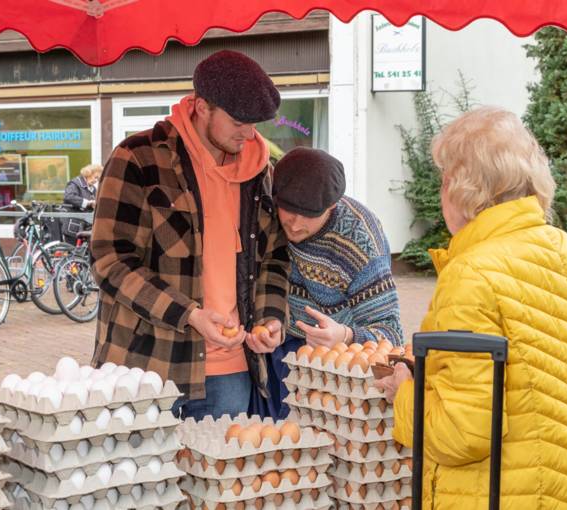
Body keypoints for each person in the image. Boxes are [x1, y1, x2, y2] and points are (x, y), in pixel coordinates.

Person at [375, 107, 567, 509]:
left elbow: (462, 434)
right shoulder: (565, 249)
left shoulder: (470, 272)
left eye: (443, 178)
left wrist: (405, 392)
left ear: (459, 186)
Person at [90, 50, 290, 420]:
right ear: (201, 106)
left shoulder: (260, 172)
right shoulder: (138, 159)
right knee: (146, 479)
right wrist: (190, 314)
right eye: (239, 121)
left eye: (255, 124)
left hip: (232, 373)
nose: (249, 134)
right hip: (146, 367)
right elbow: (109, 260)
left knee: (220, 478)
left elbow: (275, 257)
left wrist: (271, 317)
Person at [266, 147, 403, 418]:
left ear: (332, 206)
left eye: (308, 214)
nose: (294, 224)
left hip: (339, 362)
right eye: (288, 211)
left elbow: (391, 333)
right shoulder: (270, 212)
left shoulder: (360, 243)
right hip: (281, 345)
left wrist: (345, 335)